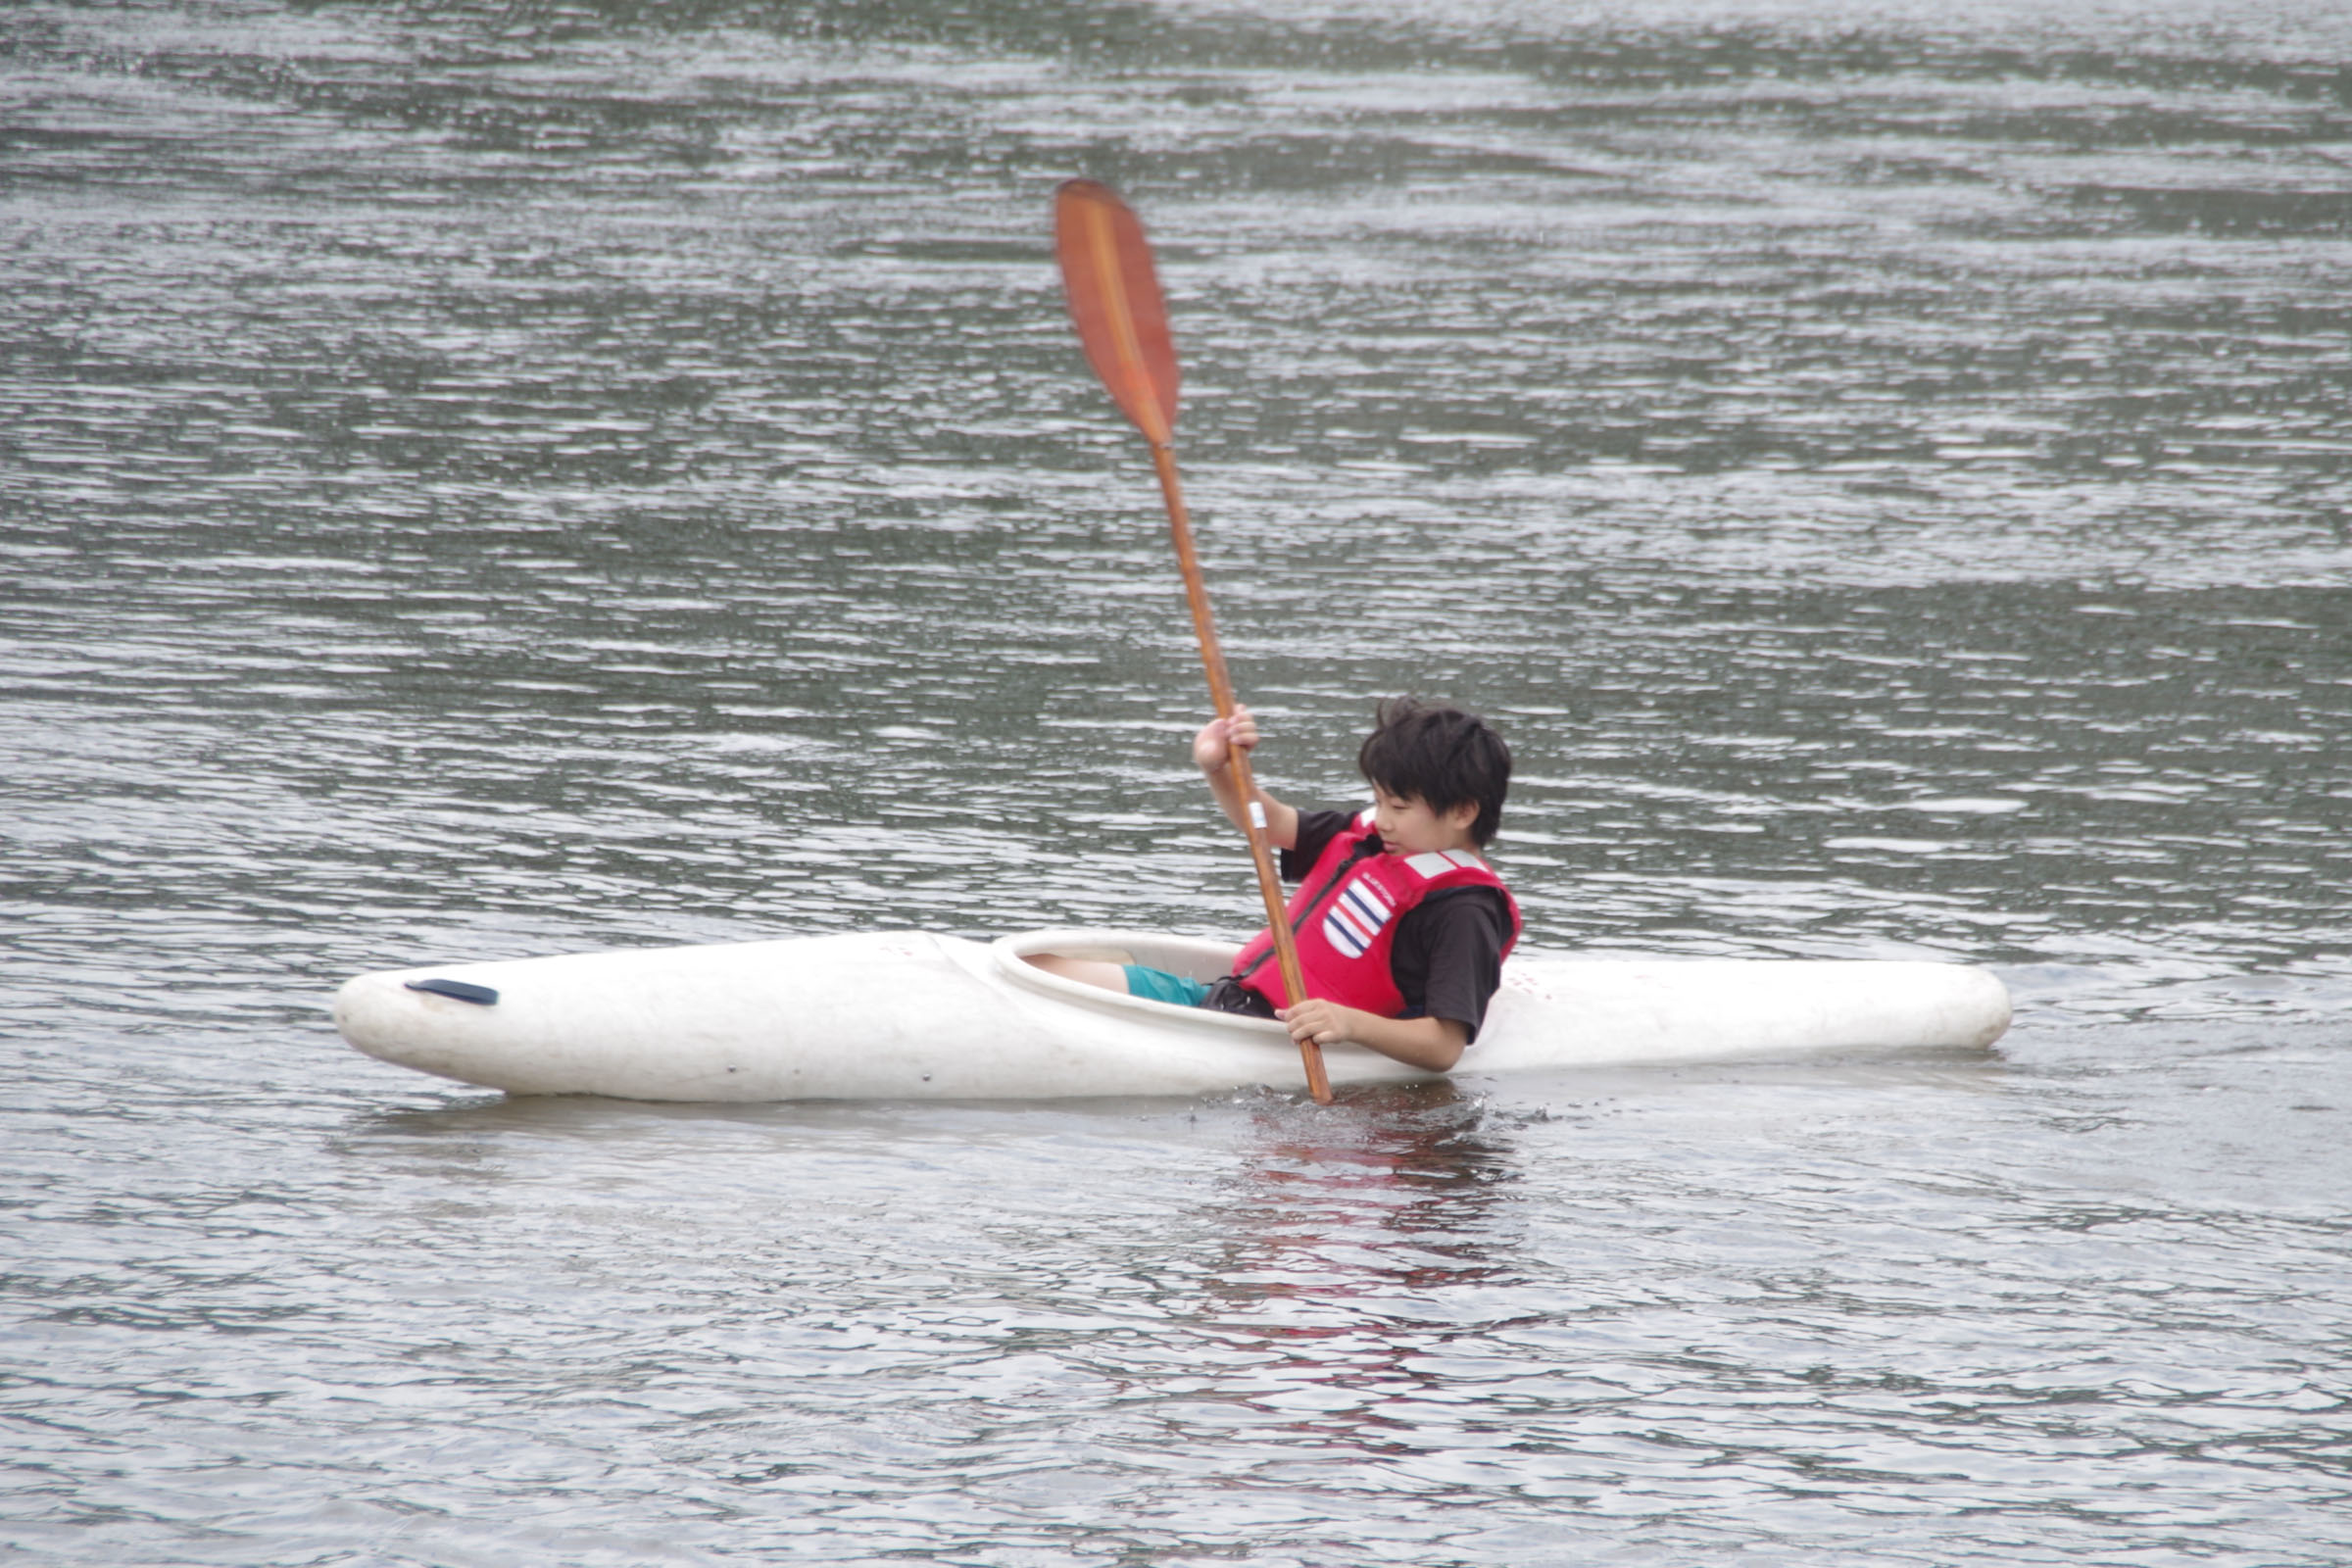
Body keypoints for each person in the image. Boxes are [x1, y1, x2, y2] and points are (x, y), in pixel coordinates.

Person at [1029, 697, 1519, 1073]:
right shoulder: (1373, 838)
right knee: (1043, 967)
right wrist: (1220, 768)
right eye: (1379, 801)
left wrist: (1347, 1024)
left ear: (1461, 812)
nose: (1383, 818)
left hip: (1274, 1041)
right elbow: (1268, 821)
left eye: (1399, 807)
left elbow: (1443, 1046)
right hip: (1223, 1002)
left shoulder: (1464, 909)